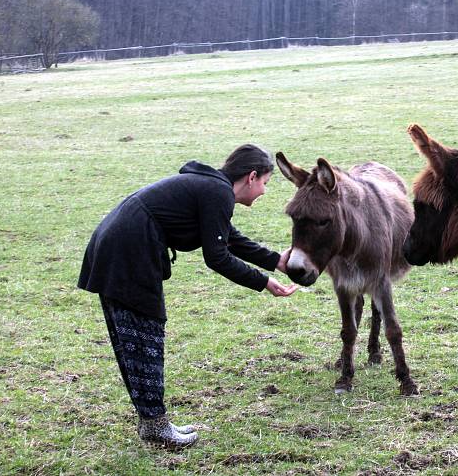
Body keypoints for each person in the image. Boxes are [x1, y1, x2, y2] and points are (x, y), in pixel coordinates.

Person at [77, 144, 298, 450]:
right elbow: (217, 257)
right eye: (265, 183)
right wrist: (264, 282)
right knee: (144, 337)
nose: (263, 192)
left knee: (135, 338)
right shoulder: (217, 193)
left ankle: (151, 422)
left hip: (117, 244)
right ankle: (155, 425)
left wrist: (277, 262)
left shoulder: (212, 189)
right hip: (129, 250)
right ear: (251, 177)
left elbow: (228, 237)